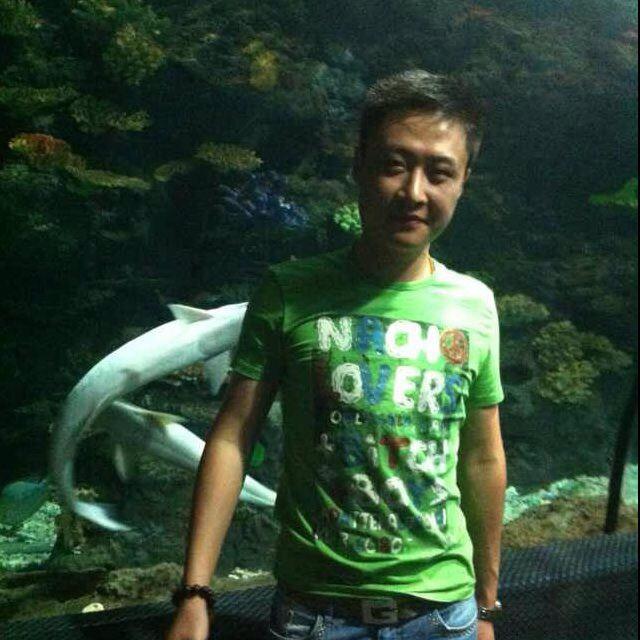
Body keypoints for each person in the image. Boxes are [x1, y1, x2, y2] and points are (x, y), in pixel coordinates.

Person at [166, 69, 507, 640]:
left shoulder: (475, 305)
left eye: (439, 172)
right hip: (316, 616)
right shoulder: (288, 291)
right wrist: (195, 593)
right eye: (394, 164)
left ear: (463, 180)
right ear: (359, 164)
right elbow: (232, 436)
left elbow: (483, 458)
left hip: (444, 616)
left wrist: (486, 604)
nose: (414, 192)